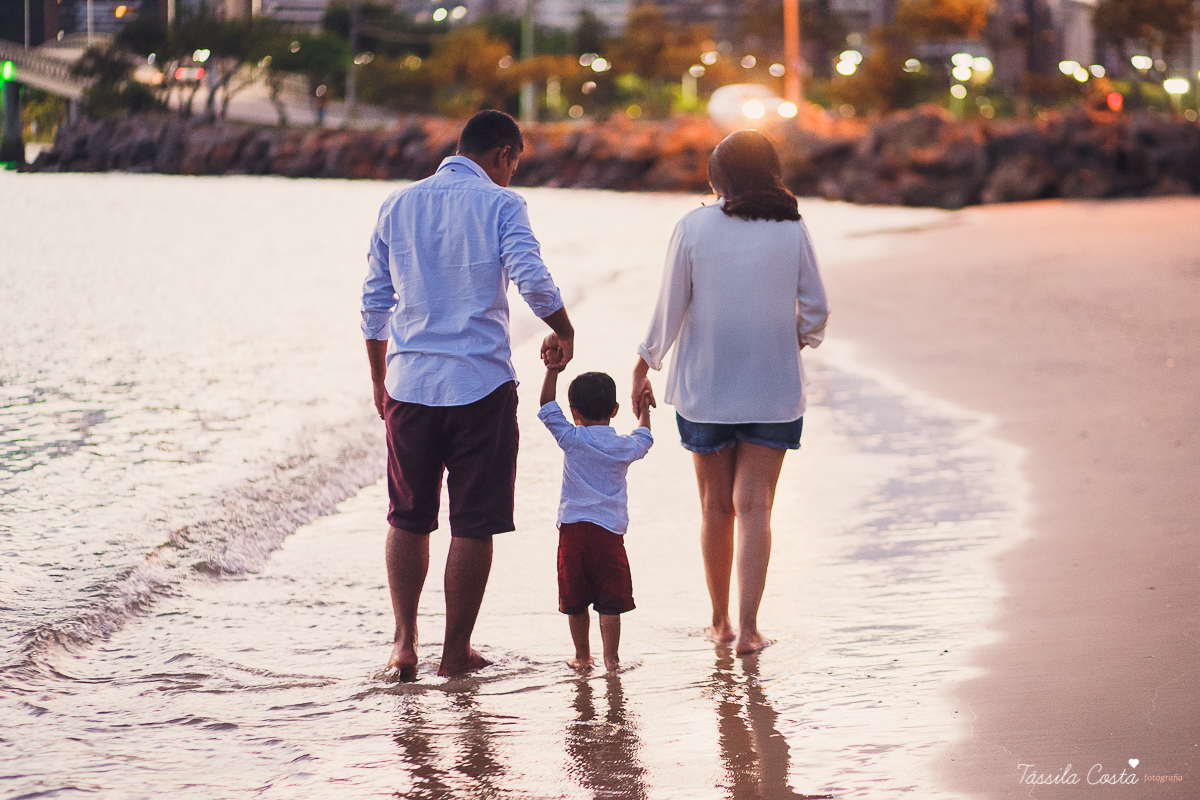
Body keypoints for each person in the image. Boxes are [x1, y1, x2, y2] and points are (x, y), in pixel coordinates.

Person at [361, 110, 575, 678]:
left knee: (407, 516)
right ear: (504, 155)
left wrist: (380, 381)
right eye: (514, 164)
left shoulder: (399, 204)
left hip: (410, 385)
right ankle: (454, 653)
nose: (512, 175)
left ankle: (405, 645)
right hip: (480, 386)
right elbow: (530, 276)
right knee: (473, 523)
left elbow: (374, 302)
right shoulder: (502, 205)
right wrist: (564, 328)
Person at [631, 130, 829, 656]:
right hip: (773, 389)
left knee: (716, 507)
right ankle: (749, 629)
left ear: (718, 177)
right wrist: (794, 343)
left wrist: (644, 363)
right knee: (756, 506)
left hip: (706, 388)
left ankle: (718, 623)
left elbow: (668, 305)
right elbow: (817, 309)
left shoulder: (693, 226)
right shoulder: (793, 228)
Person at [538, 362, 653, 672]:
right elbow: (645, 438)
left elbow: (547, 405)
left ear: (574, 412)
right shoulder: (622, 446)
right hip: (609, 536)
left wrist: (552, 369)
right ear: (614, 409)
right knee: (610, 602)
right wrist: (644, 408)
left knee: (575, 601)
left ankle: (582, 656)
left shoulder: (572, 439)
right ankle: (611, 659)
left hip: (573, 534)